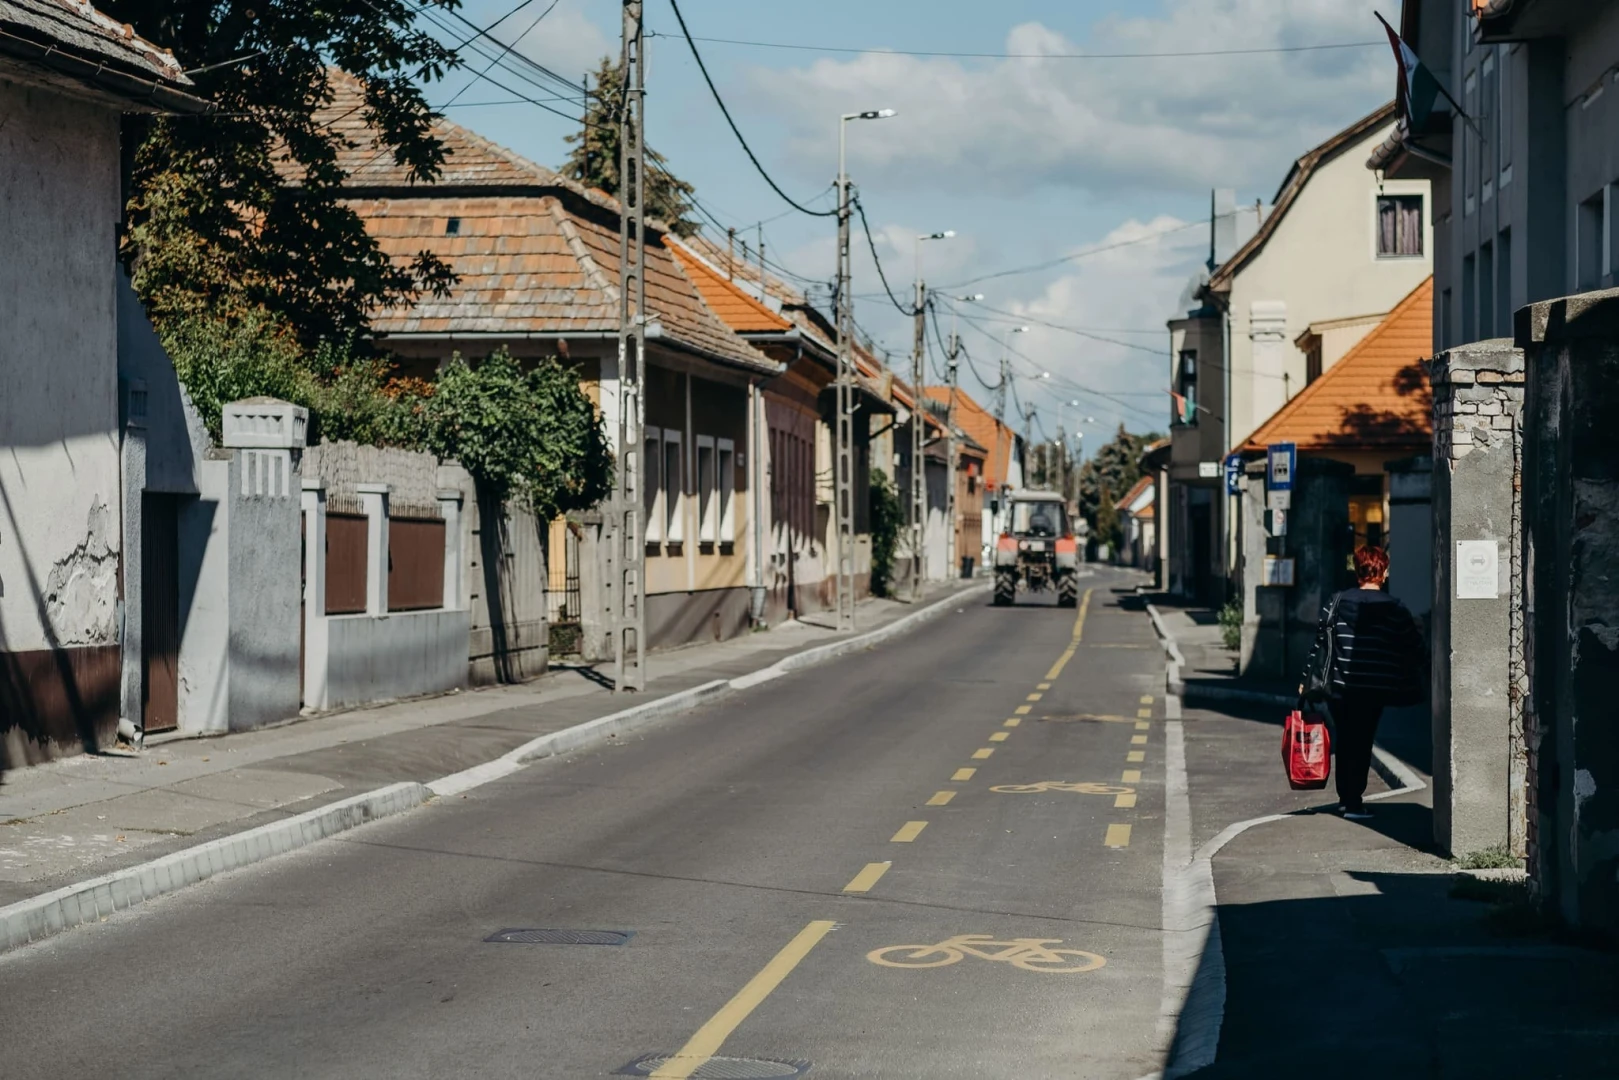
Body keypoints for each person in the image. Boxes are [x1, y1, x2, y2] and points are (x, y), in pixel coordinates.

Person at [1299, 545, 1426, 820]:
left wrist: (1305, 680)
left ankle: (1347, 798)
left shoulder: (1337, 601)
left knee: (1346, 738)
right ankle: (1353, 802)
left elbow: (1320, 643)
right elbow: (1412, 645)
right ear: (1384, 571)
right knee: (1363, 739)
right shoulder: (1395, 608)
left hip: (1340, 685)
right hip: (1375, 686)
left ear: (1357, 570)